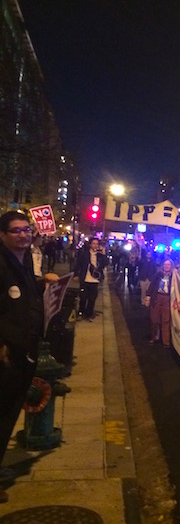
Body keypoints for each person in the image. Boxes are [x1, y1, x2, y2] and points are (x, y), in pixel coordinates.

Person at [0, 211, 44, 504]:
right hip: (5, 353)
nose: (23, 235)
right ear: (2, 235)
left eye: (27, 230)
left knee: (8, 413)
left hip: (23, 349)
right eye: (16, 231)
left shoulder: (24, 259)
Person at [74, 238, 108, 321]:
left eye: (97, 244)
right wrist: (76, 274)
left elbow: (105, 264)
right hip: (85, 279)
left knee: (92, 298)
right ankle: (81, 313)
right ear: (90, 244)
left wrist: (104, 254)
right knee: (83, 297)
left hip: (95, 280)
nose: (95, 245)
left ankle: (89, 314)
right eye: (93, 243)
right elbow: (78, 264)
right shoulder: (84, 254)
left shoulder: (99, 255)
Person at [145, 259, 175, 348]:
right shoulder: (158, 275)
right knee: (154, 319)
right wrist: (148, 297)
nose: (166, 266)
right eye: (165, 264)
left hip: (167, 298)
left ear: (171, 266)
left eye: (168, 265)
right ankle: (154, 337)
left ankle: (166, 341)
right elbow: (152, 286)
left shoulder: (173, 277)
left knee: (166, 320)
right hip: (157, 297)